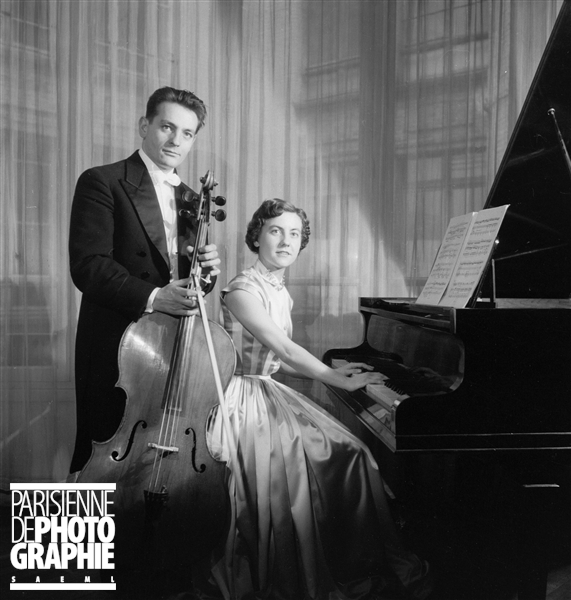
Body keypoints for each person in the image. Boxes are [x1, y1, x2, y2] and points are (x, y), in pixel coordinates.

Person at [203, 199, 433, 600]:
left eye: (295, 234)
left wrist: (339, 374)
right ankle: (318, 567)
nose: (286, 241)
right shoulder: (240, 289)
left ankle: (347, 557)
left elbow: (278, 361)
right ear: (256, 236)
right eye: (275, 230)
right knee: (338, 454)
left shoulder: (280, 292)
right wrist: (331, 378)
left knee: (352, 451)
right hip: (241, 399)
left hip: (267, 388)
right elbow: (285, 351)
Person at [68, 86, 220, 474]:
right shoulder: (103, 181)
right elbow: (89, 265)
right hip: (115, 341)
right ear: (144, 125)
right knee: (100, 449)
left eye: (187, 133)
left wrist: (206, 277)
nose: (176, 141)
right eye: (167, 127)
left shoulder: (192, 199)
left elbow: (184, 284)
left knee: (154, 455)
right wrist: (154, 296)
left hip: (168, 345)